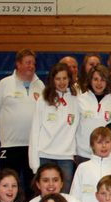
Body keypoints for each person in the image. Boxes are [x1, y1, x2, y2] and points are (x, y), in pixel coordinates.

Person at [0, 49, 44, 191]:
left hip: (33, 146)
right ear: (18, 64)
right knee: (8, 184)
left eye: (33, 63)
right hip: (10, 145)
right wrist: (8, 123)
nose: (31, 66)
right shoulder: (4, 84)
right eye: (27, 62)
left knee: (32, 186)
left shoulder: (41, 86)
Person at [28, 63, 80, 191]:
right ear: (52, 80)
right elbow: (35, 131)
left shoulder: (77, 99)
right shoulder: (43, 100)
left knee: (64, 197)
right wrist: (34, 163)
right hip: (45, 155)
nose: (62, 82)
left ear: (69, 79)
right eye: (58, 79)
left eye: (64, 78)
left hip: (66, 157)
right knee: (45, 197)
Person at [70, 127, 111, 202]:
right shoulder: (83, 168)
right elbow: (74, 197)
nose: (104, 146)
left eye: (107, 142)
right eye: (99, 142)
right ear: (92, 145)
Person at [76, 65, 111, 162]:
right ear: (90, 80)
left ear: (107, 81)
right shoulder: (80, 100)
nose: (99, 83)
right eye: (95, 79)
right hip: (83, 154)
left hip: (105, 154)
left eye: (102, 80)